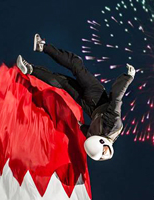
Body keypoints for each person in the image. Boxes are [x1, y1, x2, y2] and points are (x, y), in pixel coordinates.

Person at [16, 34, 136, 162]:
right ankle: (30, 69)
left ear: (101, 142)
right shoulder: (93, 137)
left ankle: (42, 47)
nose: (107, 149)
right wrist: (80, 126)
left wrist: (127, 78)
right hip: (87, 105)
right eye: (106, 152)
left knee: (75, 63)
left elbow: (116, 98)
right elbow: (86, 131)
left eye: (104, 150)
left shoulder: (113, 125)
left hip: (96, 95)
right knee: (63, 82)